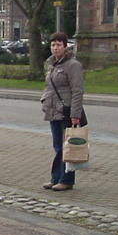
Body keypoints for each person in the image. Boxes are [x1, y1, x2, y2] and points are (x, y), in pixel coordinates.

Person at [40, 32, 85, 191]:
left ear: (65, 46)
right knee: (58, 146)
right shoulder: (52, 64)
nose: (55, 48)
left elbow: (77, 91)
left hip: (67, 111)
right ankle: (55, 177)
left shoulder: (73, 65)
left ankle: (66, 180)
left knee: (67, 148)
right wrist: (44, 99)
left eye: (59, 45)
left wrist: (75, 115)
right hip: (53, 110)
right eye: (53, 45)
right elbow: (49, 87)